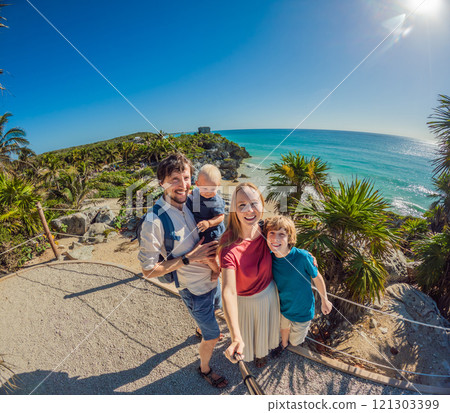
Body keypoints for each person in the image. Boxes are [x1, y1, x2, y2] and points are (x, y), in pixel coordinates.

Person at [138, 153, 228, 389]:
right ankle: (204, 368)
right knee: (213, 335)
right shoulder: (153, 221)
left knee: (216, 308)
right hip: (194, 290)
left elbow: (220, 218)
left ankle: (199, 328)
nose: (182, 185)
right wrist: (188, 259)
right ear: (161, 183)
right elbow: (148, 270)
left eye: (186, 177)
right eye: (174, 179)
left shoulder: (192, 202)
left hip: (212, 282)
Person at [219, 182, 280, 368]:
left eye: (254, 203)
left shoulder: (268, 230)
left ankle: (262, 354)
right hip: (245, 303)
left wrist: (307, 258)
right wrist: (235, 336)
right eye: (242, 205)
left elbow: (288, 247)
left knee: (265, 334)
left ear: (262, 205)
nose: (249, 210)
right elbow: (228, 291)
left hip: (269, 295)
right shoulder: (229, 245)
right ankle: (252, 354)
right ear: (234, 211)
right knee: (248, 338)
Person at [264, 215, 332, 355]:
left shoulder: (303, 257)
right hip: (283, 307)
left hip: (303, 310)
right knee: (283, 328)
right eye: (272, 233)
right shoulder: (269, 257)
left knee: (295, 341)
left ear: (290, 238)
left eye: (281, 234)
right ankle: (283, 345)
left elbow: (317, 278)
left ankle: (290, 343)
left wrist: (325, 300)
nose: (275, 239)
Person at [186, 164, 226, 276]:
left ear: (218, 186)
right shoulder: (195, 193)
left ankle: (216, 270)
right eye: (205, 189)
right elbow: (190, 195)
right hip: (201, 229)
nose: (208, 192)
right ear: (197, 184)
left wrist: (209, 223)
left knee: (209, 256)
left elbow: (221, 217)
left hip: (212, 232)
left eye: (212, 189)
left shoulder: (215, 200)